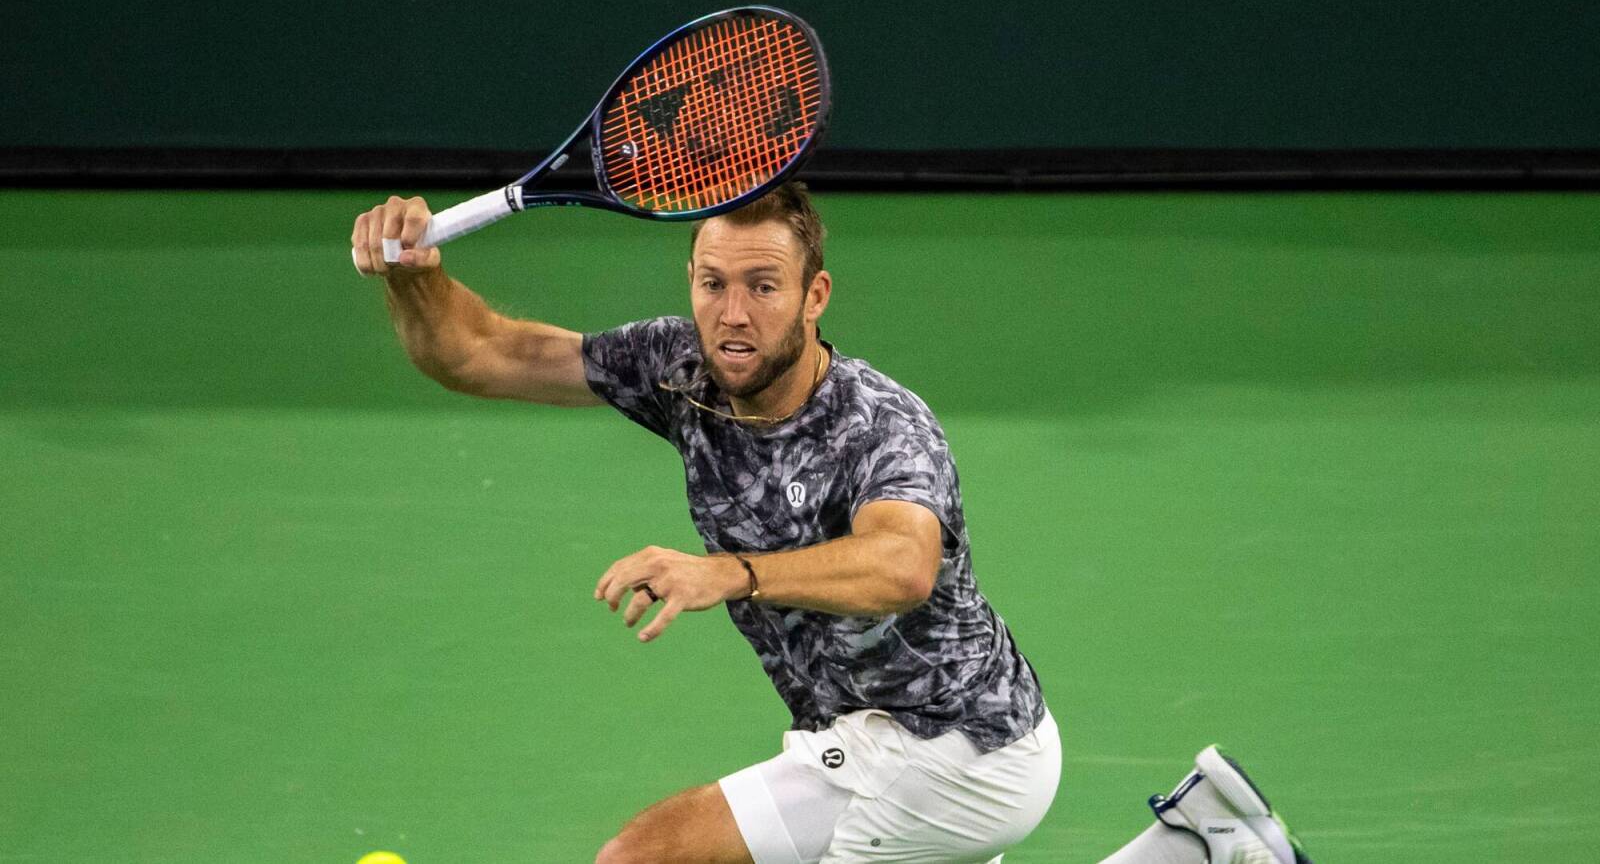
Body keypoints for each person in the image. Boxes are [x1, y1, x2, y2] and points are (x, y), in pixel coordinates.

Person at [349, 182, 1312, 864]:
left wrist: (731, 572)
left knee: (645, 858)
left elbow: (903, 566)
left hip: (949, 747)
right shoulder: (681, 369)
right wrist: (411, 275)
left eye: (763, 285)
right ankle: (1199, 846)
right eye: (712, 282)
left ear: (815, 295)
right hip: (886, 733)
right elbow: (481, 354)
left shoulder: (882, 425)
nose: (733, 314)